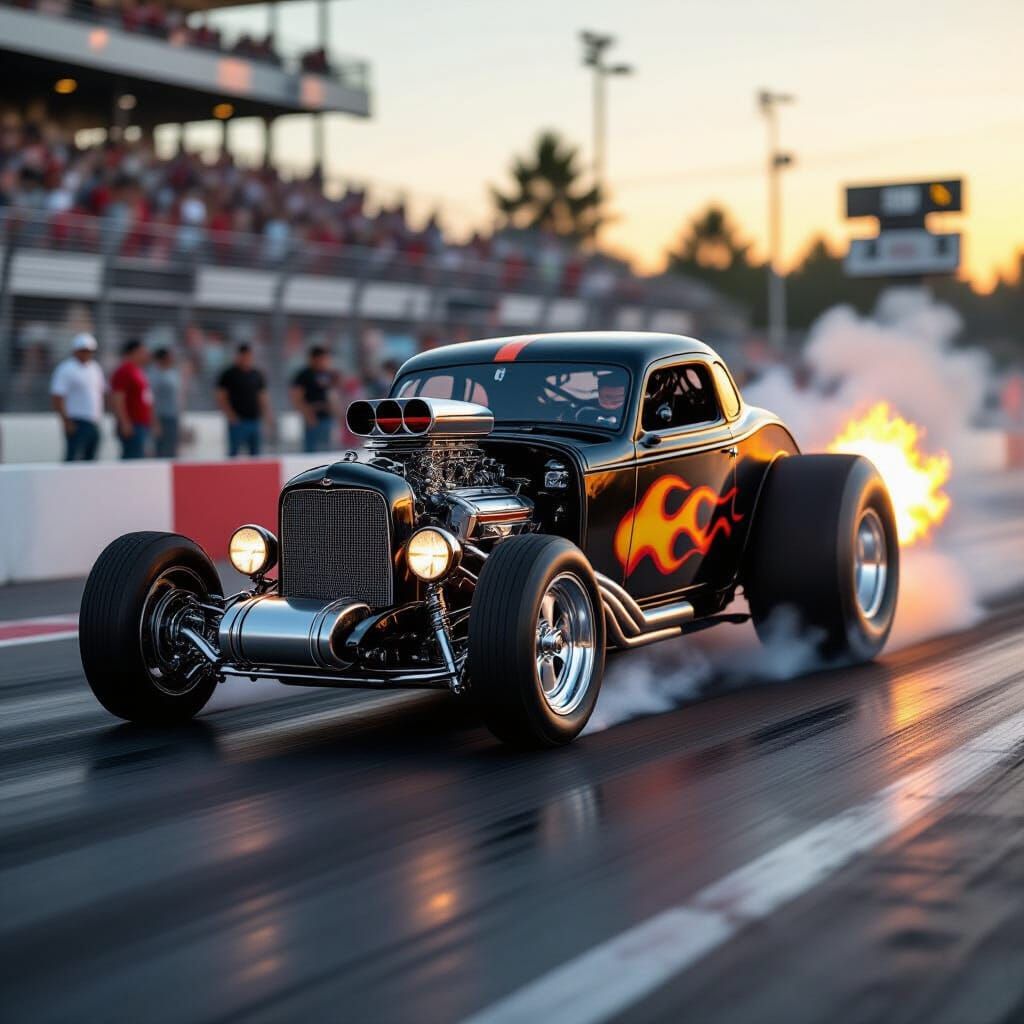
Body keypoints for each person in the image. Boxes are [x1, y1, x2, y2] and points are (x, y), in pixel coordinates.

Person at [50, 333, 106, 461]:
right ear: (75, 350)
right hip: (76, 420)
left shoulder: (95, 368)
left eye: (89, 351)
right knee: (73, 456)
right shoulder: (66, 369)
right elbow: (57, 396)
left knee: (91, 458)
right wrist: (66, 421)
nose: (86, 354)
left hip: (93, 420)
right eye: (83, 350)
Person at [216, 343, 271, 456]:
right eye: (244, 356)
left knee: (256, 454)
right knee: (234, 453)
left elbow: (262, 396)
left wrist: (266, 415)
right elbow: (221, 397)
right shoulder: (229, 374)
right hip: (238, 421)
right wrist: (230, 415)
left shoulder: (256, 374)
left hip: (254, 420)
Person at [110, 339, 154, 459]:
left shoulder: (138, 371)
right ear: (133, 352)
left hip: (141, 424)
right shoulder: (124, 371)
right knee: (131, 459)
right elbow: (118, 398)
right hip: (133, 424)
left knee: (138, 457)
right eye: (142, 352)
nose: (146, 355)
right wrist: (124, 422)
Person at [290, 346, 339, 453]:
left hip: (327, 417)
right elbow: (296, 398)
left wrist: (336, 412)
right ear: (315, 359)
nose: (326, 362)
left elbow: (331, 395)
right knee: (312, 452)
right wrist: (308, 416)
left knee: (327, 451)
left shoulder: (327, 374)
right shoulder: (303, 375)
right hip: (312, 418)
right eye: (323, 359)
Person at [150, 347, 182, 458]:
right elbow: (152, 399)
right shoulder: (155, 375)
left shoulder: (173, 373)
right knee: (162, 450)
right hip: (161, 417)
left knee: (172, 449)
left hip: (172, 416)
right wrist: (155, 422)